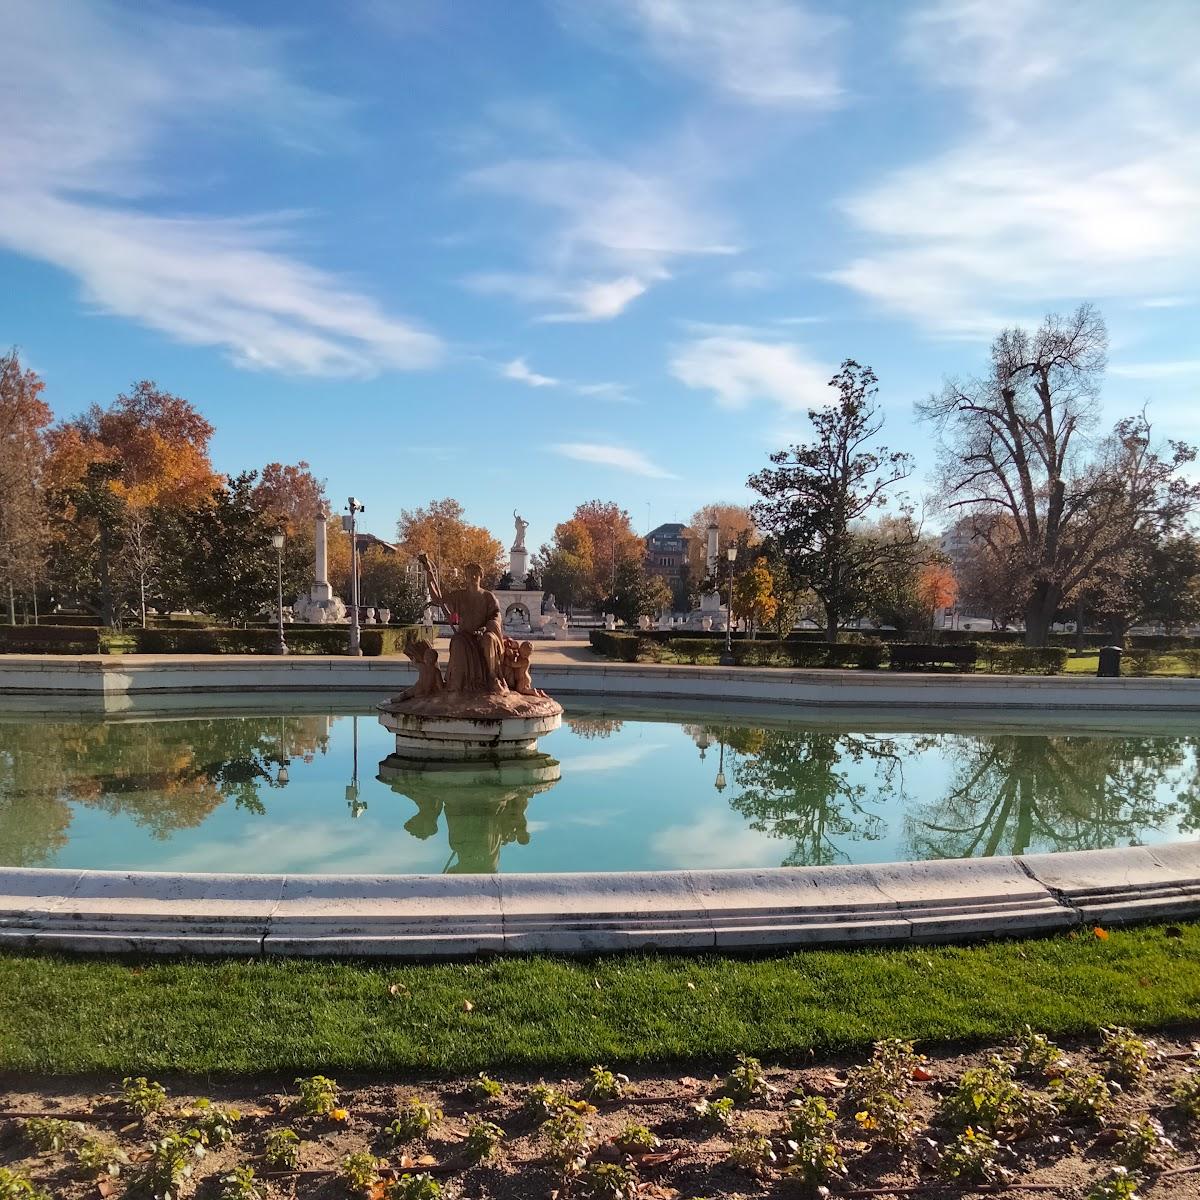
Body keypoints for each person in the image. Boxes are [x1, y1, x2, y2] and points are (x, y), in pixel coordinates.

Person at [418, 553, 506, 694]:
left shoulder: (488, 596)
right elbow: (438, 599)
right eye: (469, 575)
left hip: (484, 634)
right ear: (465, 577)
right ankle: (457, 683)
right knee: (457, 642)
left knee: (488, 640)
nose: (472, 578)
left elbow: (496, 616)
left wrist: (485, 628)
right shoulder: (460, 595)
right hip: (465, 636)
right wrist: (429, 575)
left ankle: (492, 677)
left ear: (480, 576)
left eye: (475, 575)